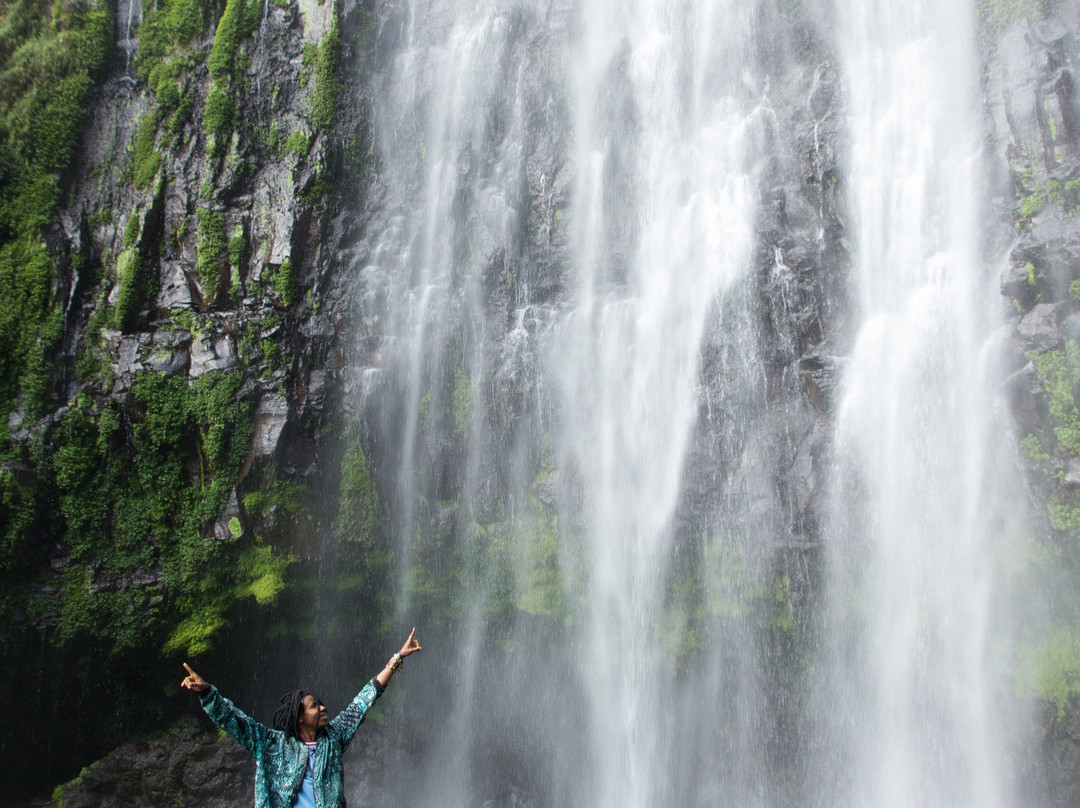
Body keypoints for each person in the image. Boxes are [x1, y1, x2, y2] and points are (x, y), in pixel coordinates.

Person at [181, 628, 422, 808]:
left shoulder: (334, 738)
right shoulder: (272, 745)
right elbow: (235, 721)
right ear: (299, 717)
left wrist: (397, 658)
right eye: (314, 706)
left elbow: (364, 699)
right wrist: (206, 693)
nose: (323, 708)